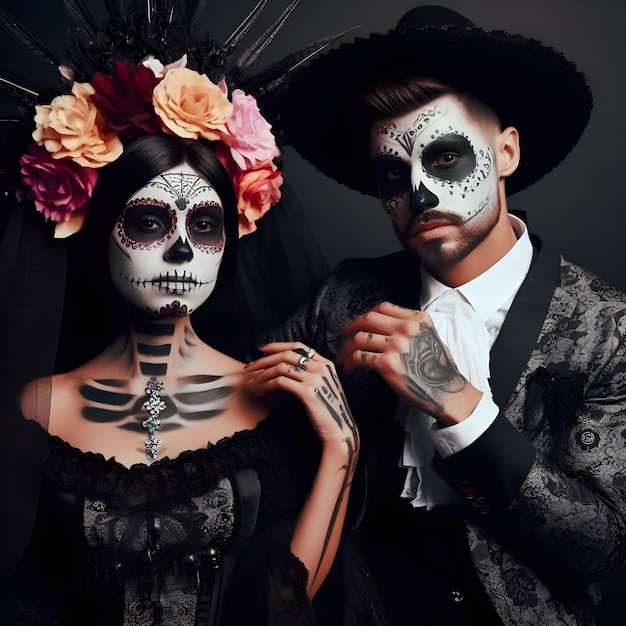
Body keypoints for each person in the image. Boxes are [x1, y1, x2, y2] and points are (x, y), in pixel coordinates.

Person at [0, 3, 388, 625]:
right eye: (150, 222)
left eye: (205, 225)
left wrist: (341, 448)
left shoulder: (269, 398)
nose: (181, 249)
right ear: (99, 232)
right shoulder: (41, 407)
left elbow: (289, 604)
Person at [258, 4, 626, 625]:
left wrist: (461, 406)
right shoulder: (346, 294)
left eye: (446, 158)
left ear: (506, 152)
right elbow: (241, 394)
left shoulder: (608, 329)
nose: (420, 193)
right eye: (393, 174)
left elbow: (602, 549)